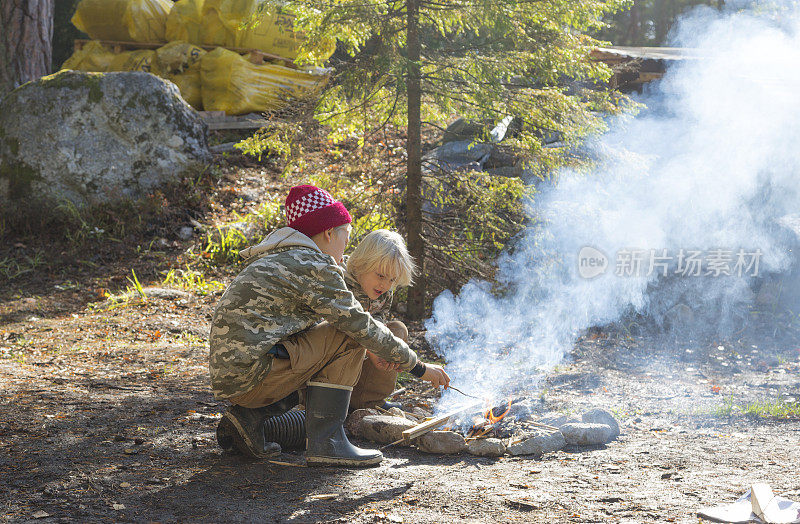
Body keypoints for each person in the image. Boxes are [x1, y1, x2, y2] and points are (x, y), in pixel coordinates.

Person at [209, 184, 449, 467]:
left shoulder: (285, 255)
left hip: (236, 375)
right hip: (252, 375)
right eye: (345, 239)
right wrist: (419, 368)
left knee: (351, 329)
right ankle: (328, 442)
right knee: (349, 330)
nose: (345, 249)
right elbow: (359, 325)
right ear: (328, 233)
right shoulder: (314, 265)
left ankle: (251, 420)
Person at [344, 229, 417, 411]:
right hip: (332, 367)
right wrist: (368, 346)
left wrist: (376, 350)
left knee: (397, 330)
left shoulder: (384, 293)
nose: (385, 285)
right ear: (362, 264)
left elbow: (378, 324)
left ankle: (370, 400)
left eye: (392, 279)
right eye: (380, 276)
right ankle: (330, 403)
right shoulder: (339, 281)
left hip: (360, 366)